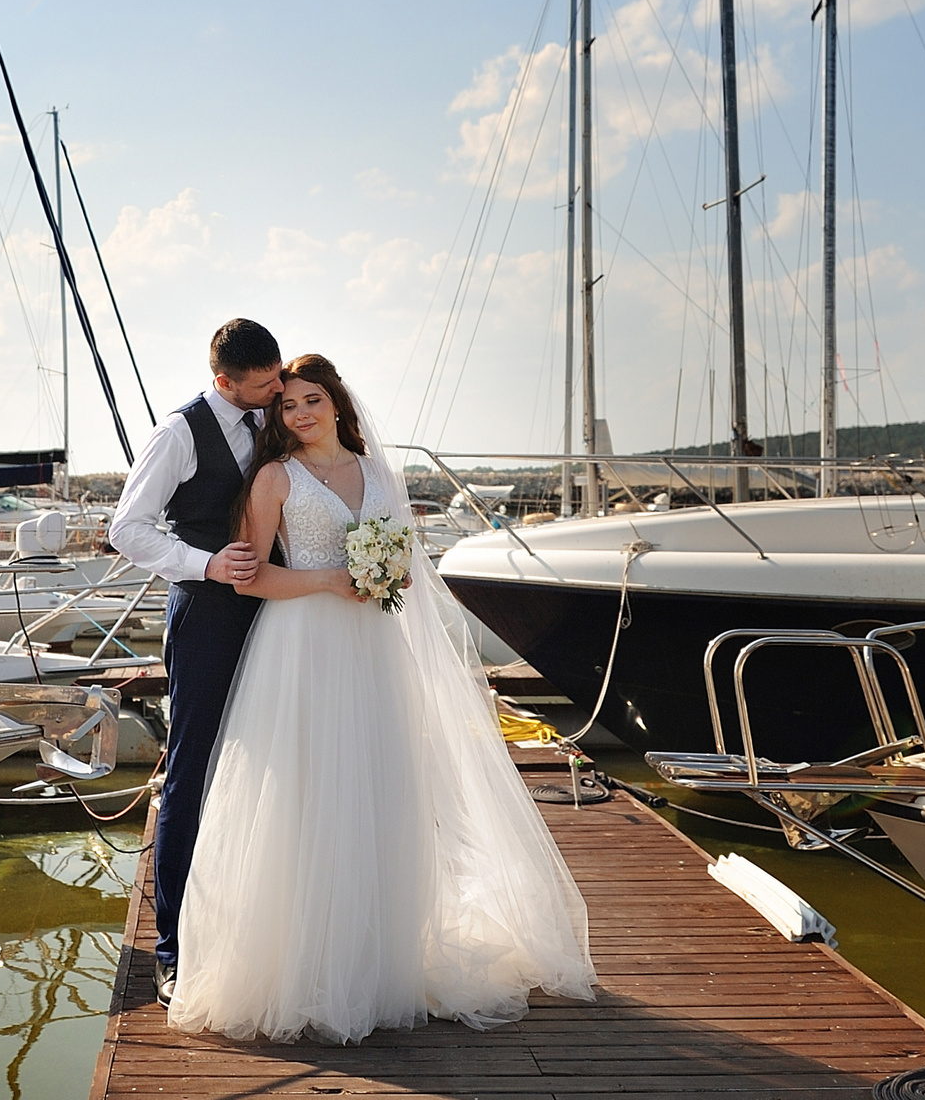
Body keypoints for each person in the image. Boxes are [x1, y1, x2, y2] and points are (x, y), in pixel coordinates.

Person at [166, 354, 595, 1043]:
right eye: (287, 406)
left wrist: (379, 577)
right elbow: (251, 579)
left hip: (370, 647)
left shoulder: (376, 474)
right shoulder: (273, 477)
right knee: (305, 795)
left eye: (311, 400)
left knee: (375, 789)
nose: (300, 413)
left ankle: (375, 960)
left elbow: (403, 561)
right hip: (301, 646)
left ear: (337, 404)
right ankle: (302, 965)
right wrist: (333, 580)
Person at [105, 316, 287, 1002]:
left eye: (278, 379)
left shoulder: (275, 415)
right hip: (208, 613)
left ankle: (257, 925)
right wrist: (204, 564)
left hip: (280, 610)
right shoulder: (179, 433)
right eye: (263, 383)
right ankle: (174, 947)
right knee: (192, 771)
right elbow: (127, 528)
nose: (275, 392)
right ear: (223, 380)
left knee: (272, 764)